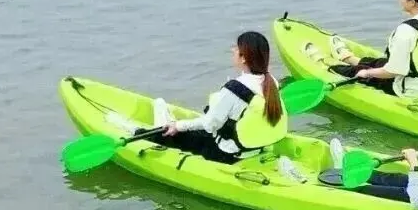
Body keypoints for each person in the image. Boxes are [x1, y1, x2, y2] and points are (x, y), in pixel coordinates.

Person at [107, 31, 288, 164]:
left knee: (168, 134)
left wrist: (178, 126)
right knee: (186, 127)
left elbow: (210, 124)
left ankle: (133, 130)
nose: (233, 50)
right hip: (253, 149)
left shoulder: (235, 89)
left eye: (236, 48)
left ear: (243, 58)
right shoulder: (271, 81)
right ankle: (166, 120)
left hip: (224, 153)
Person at [302, 0, 418, 98]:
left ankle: (325, 65)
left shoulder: (406, 30)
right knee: (380, 62)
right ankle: (349, 58)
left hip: (410, 89)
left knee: (358, 72)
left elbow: (394, 71)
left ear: (413, 2)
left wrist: (367, 73)